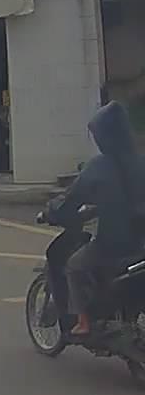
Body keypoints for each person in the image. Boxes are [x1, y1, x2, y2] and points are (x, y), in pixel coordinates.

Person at [45, 100, 145, 335]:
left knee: (73, 266)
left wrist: (52, 212)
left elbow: (71, 200)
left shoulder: (98, 166)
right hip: (141, 244)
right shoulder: (140, 161)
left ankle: (83, 322)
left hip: (113, 245)